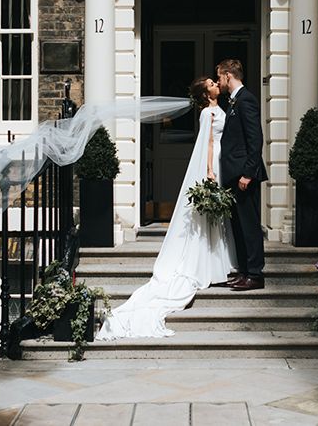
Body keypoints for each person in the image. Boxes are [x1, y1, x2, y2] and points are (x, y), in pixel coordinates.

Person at [96, 76, 237, 339]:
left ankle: (219, 260)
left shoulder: (219, 108)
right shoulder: (208, 113)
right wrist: (209, 170)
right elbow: (206, 143)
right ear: (206, 95)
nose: (216, 85)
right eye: (211, 84)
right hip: (213, 163)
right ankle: (207, 264)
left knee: (215, 216)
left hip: (221, 159)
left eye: (215, 82)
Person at [216, 58, 268, 291]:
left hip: (243, 176)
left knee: (249, 225)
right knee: (238, 226)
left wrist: (248, 173)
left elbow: (255, 140)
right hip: (233, 175)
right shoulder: (234, 101)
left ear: (228, 75)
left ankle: (255, 274)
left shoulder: (246, 100)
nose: (218, 81)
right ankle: (245, 271)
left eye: (219, 76)